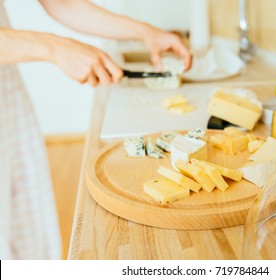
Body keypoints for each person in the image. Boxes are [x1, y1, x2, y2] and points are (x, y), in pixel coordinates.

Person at [0, 0, 192, 259]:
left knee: (26, 234)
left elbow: (61, 3)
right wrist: (57, 48)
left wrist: (144, 31)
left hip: (7, 99)